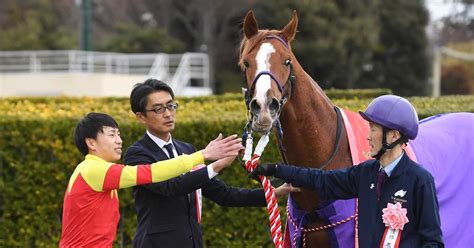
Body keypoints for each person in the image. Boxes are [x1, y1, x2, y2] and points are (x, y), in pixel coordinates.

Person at [124, 79, 299, 248]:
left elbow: (224, 195)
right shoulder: (137, 155)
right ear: (141, 117)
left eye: (171, 106)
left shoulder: (186, 148)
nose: (168, 114)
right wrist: (215, 164)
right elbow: (170, 188)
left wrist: (272, 194)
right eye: (158, 109)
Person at [250, 95, 444, 247]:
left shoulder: (420, 181)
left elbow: (433, 241)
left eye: (374, 129)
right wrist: (277, 169)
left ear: (394, 136)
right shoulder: (365, 173)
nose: (367, 136)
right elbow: (321, 180)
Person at [60, 112, 242, 247]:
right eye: (112, 134)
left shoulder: (95, 171)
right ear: (91, 143)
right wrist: (203, 154)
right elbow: (151, 173)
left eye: (119, 134)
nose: (119, 140)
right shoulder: (94, 170)